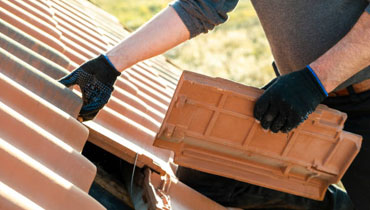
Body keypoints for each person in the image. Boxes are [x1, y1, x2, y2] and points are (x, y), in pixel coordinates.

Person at [58, 0, 370, 209]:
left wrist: (315, 81)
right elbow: (200, 6)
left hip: (345, 93)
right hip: (303, 94)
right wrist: (108, 66)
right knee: (210, 175)